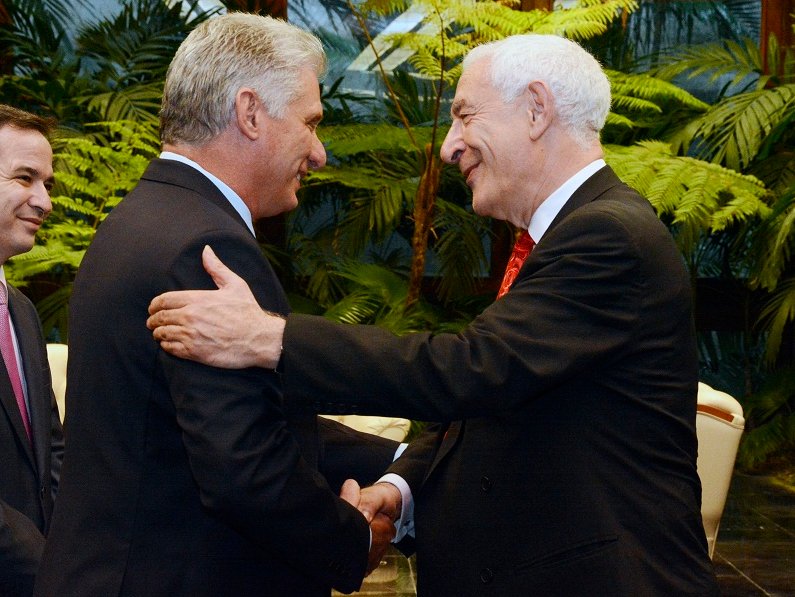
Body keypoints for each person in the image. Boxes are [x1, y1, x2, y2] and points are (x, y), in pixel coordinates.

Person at [147, 34, 720, 596]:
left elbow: (472, 370)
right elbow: (501, 404)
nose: (449, 147)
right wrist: (404, 486)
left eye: (465, 116)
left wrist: (267, 338)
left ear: (537, 109)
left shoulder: (607, 235)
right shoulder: (565, 235)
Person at [34, 14, 400, 597]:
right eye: (309, 123)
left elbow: (212, 418)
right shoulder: (206, 246)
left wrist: (405, 461)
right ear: (251, 112)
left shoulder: (141, 219)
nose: (320, 152)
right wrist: (349, 539)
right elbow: (241, 465)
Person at [0, 104, 65, 596]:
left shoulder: (21, 312)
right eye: (25, 178)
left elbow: (53, 453)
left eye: (47, 183)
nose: (44, 202)